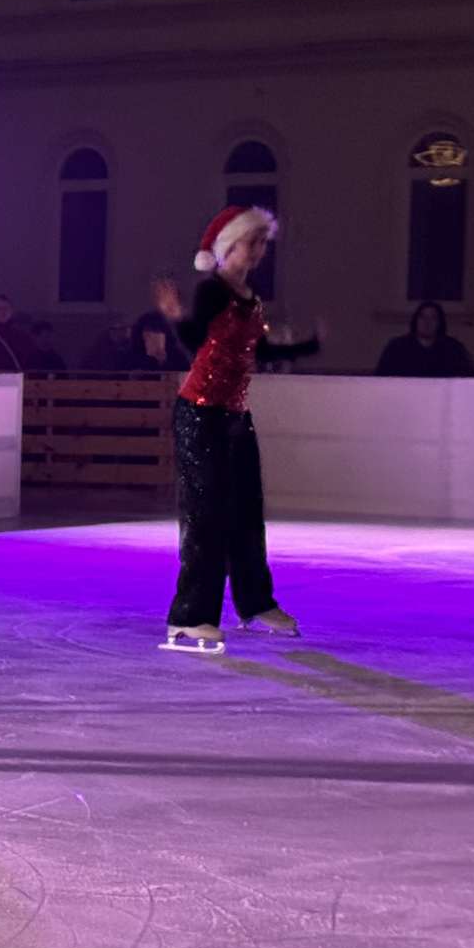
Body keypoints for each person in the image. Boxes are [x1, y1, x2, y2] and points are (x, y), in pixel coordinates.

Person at [155, 205, 322, 655]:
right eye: (253, 242)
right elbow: (195, 341)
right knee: (205, 516)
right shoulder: (212, 290)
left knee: (246, 512)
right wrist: (175, 317)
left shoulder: (251, 297)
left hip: (234, 416)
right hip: (199, 414)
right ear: (229, 246)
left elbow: (258, 350)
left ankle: (255, 602)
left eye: (263, 242)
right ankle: (189, 616)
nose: (259, 250)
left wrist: (308, 346)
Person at [375, 301, 474, 378]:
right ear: (415, 320)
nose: (427, 322)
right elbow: (382, 378)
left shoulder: (453, 349)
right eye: (422, 317)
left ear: (440, 323)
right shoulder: (397, 348)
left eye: (433, 318)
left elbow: (468, 376)